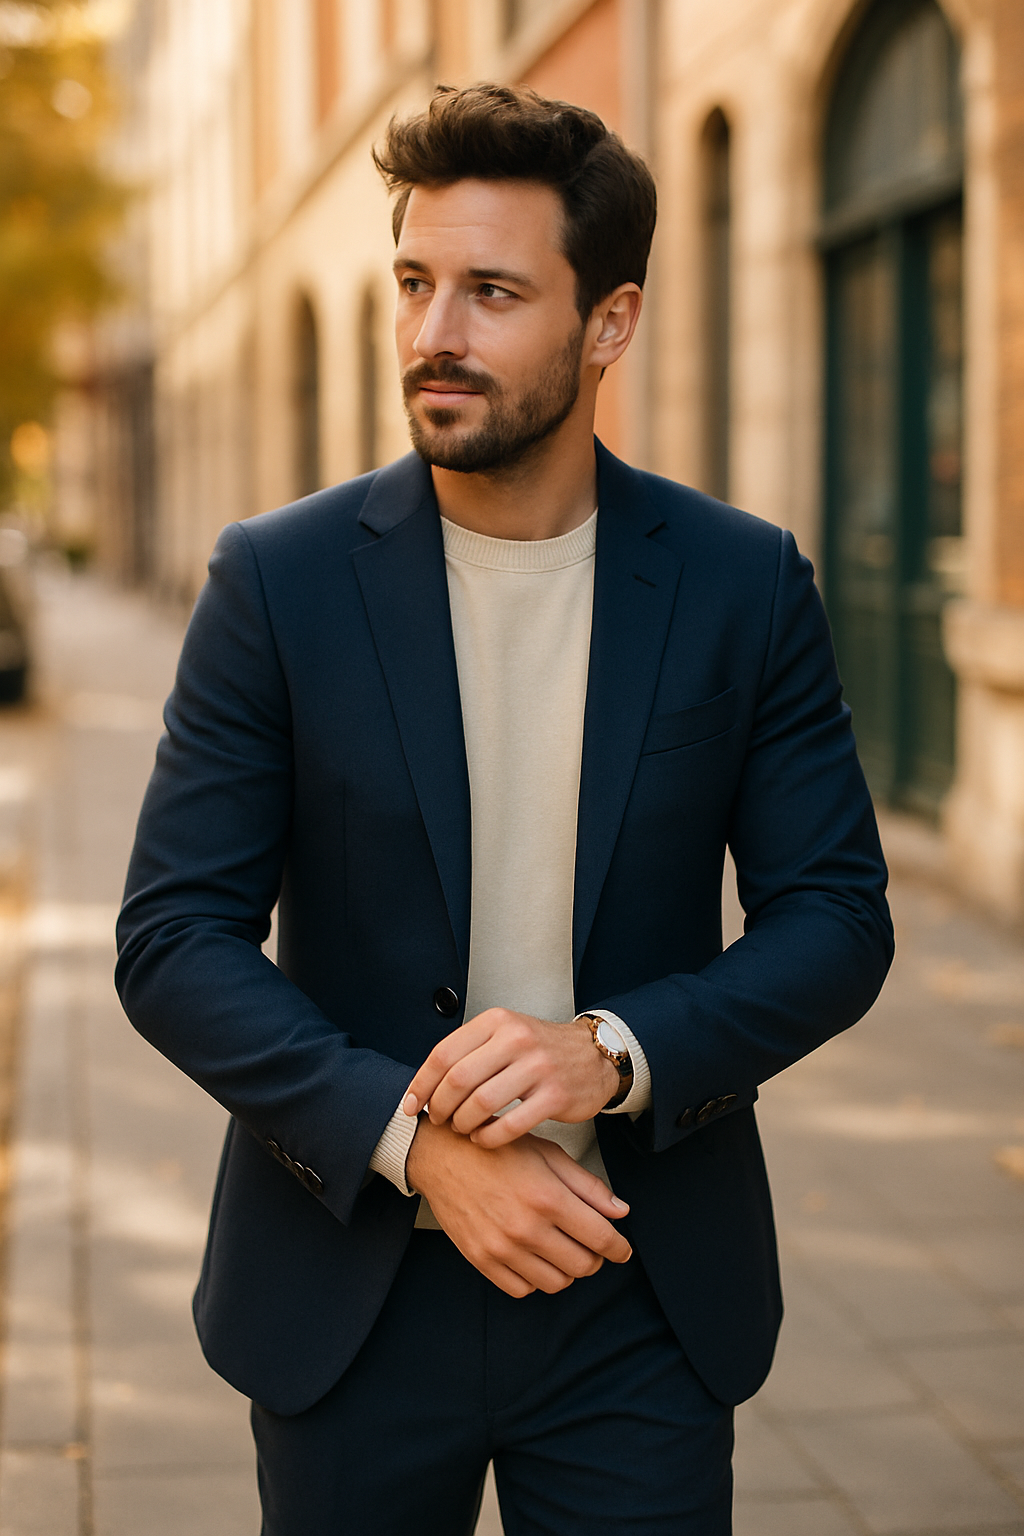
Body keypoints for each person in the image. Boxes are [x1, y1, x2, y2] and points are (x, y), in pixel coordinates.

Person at [116, 83, 893, 1536]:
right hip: (348, 1288)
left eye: (490, 292)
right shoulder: (275, 585)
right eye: (413, 282)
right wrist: (421, 1144)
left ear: (609, 323)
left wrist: (615, 1053)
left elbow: (839, 918)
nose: (432, 336)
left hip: (638, 1288)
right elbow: (173, 941)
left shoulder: (742, 585)